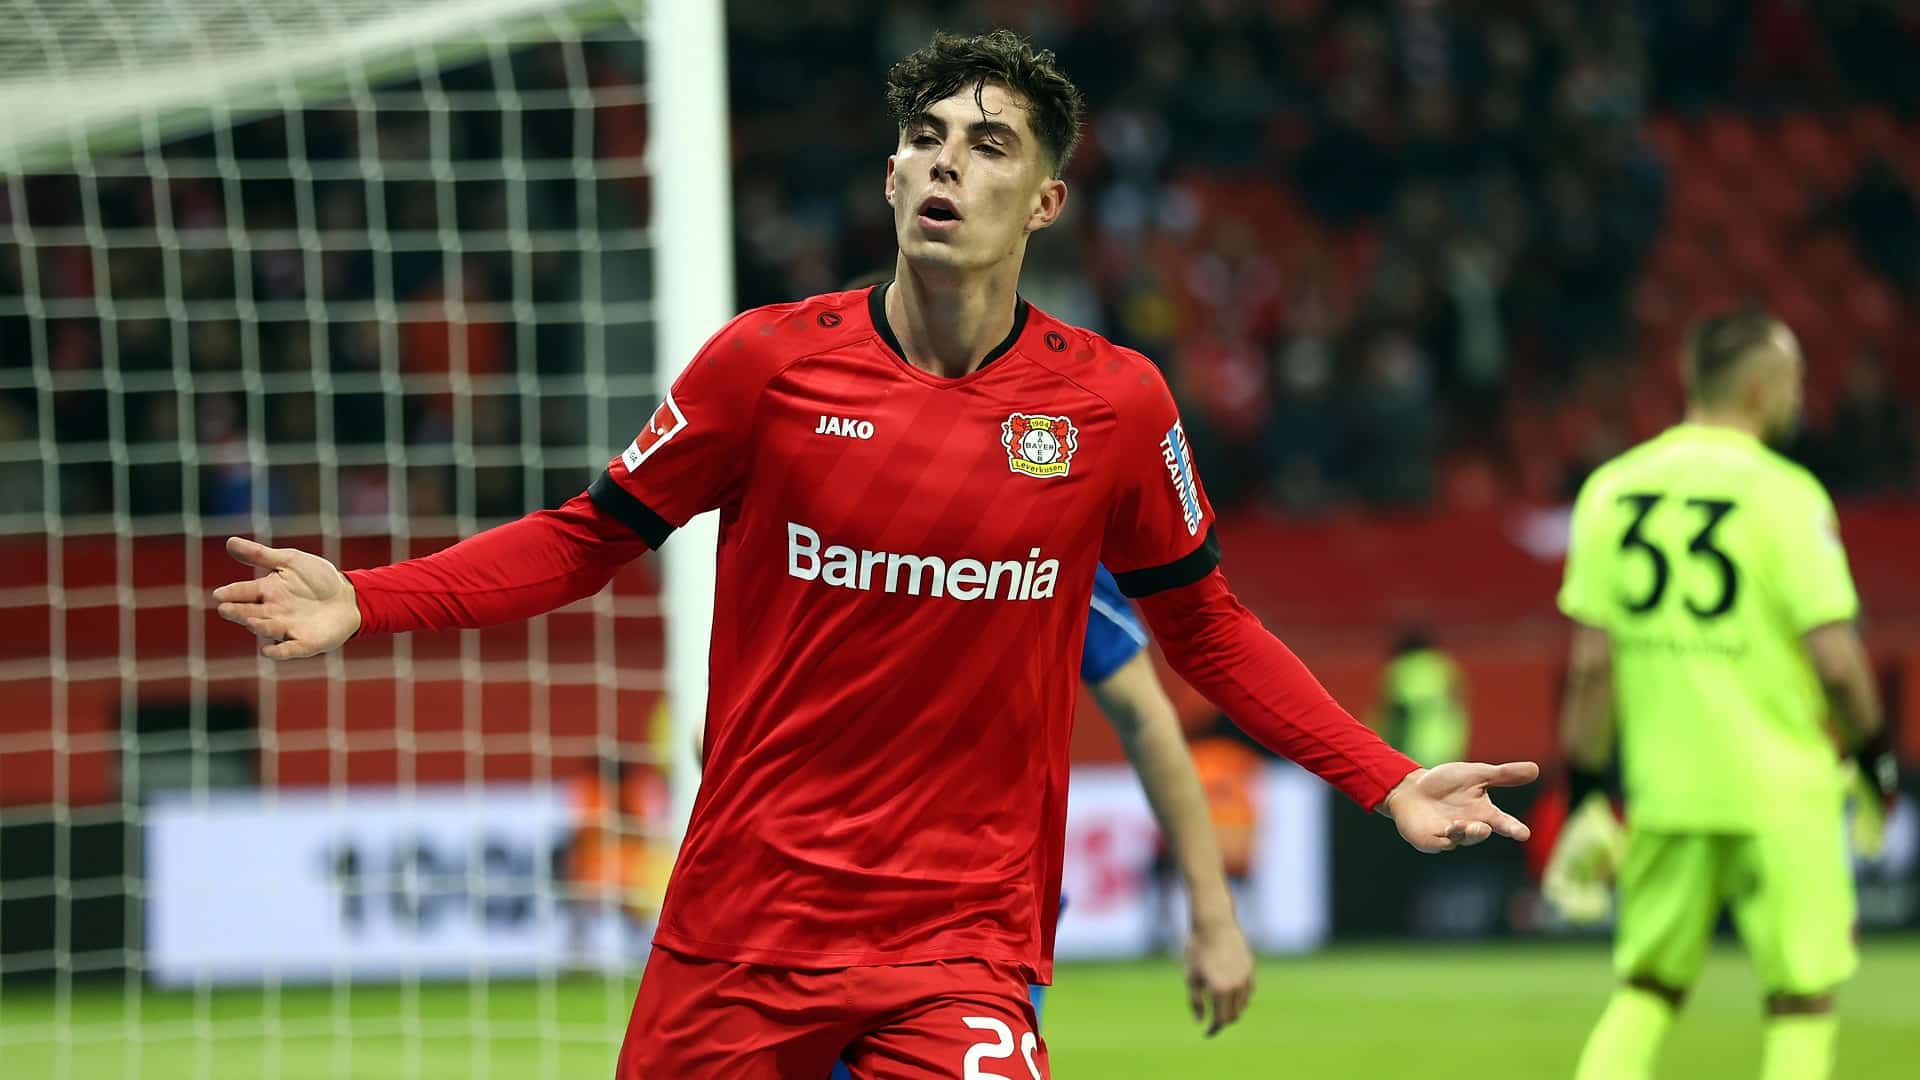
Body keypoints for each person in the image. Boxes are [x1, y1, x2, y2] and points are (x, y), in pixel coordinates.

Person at [212, 30, 1534, 1078]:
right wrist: (369, 601)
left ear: (1048, 196)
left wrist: (1385, 778)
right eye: (926, 140)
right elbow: (584, 539)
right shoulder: (765, 367)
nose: (950, 163)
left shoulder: (1116, 407)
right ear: (894, 179)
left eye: (990, 144)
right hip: (740, 929)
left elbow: (1206, 629)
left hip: (959, 941)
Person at [1550, 310, 1896, 1080]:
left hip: (1667, 794)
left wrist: (1583, 793)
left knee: (1645, 990)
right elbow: (1837, 662)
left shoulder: (1613, 491)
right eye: (1795, 379)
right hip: (1783, 795)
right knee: (1800, 1003)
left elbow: (1591, 668)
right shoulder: (1785, 496)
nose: (1801, 396)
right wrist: (1876, 760)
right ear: (1758, 385)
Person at [1371, 627, 1470, 767]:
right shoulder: (1444, 666)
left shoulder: (1405, 667)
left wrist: (1385, 745)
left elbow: (1399, 710)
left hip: (1412, 747)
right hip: (1447, 745)